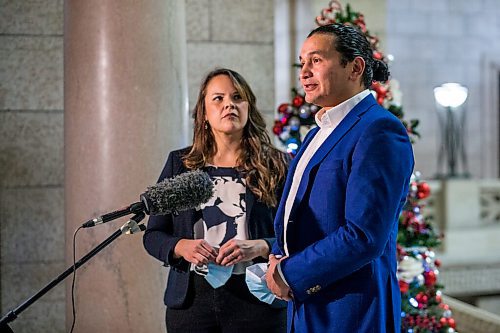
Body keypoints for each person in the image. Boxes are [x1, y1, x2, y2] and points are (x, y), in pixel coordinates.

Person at [265, 23, 415, 333]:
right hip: (307, 306)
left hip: (350, 312)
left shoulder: (379, 130)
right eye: (302, 62)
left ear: (355, 67)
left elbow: (363, 236)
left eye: (316, 60)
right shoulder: (317, 132)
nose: (304, 72)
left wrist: (290, 274)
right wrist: (277, 257)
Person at [143, 68, 288, 333]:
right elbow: (153, 234)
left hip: (258, 299)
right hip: (191, 302)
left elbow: (297, 236)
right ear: (204, 113)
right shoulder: (181, 164)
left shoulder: (277, 164)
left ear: (248, 107)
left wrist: (260, 246)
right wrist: (180, 246)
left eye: (237, 97)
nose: (229, 104)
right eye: (218, 98)